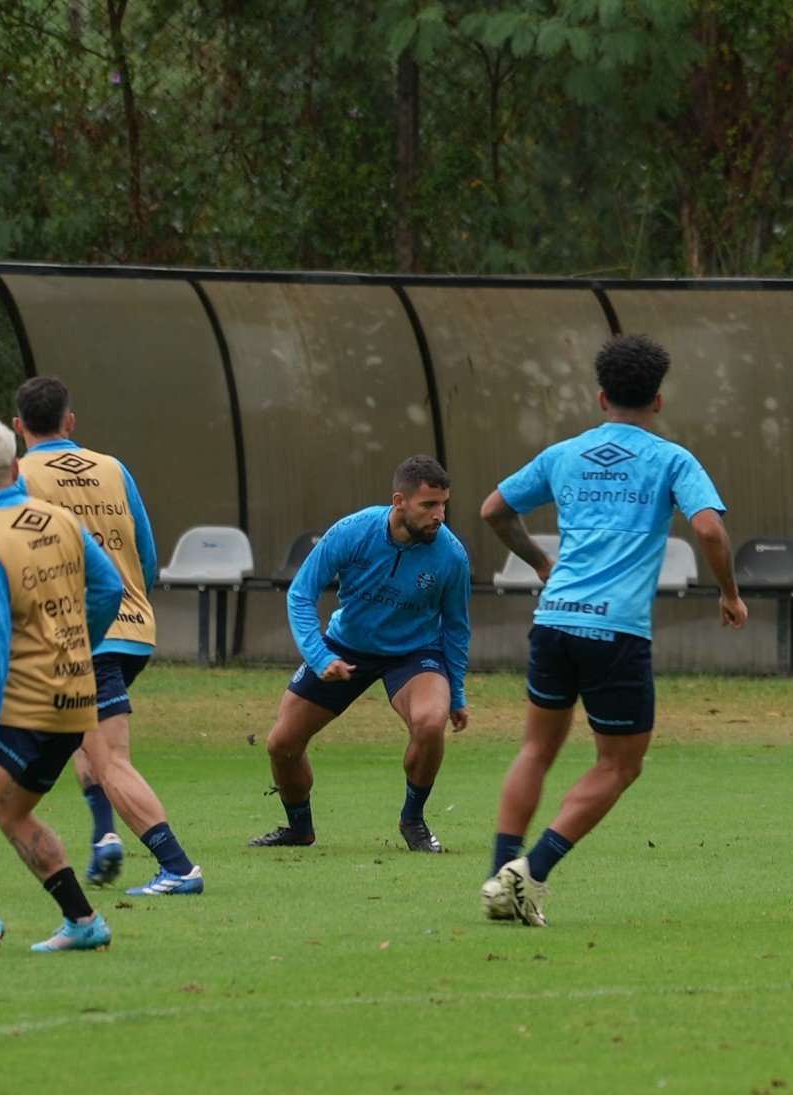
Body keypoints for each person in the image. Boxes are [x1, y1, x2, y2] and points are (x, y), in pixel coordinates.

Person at [479, 334, 747, 927]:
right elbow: (708, 530)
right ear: (657, 400)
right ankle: (530, 873)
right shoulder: (672, 458)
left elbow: (493, 509)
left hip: (553, 622)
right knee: (620, 765)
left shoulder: (564, 454)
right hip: (615, 632)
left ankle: (500, 872)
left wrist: (542, 566)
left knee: (536, 749)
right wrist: (728, 593)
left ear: (601, 397)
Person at [0, 418, 124, 958]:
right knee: (10, 812)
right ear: (14, 468)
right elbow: (109, 588)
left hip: (22, 703)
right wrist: (76, 646)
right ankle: (83, 920)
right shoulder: (61, 520)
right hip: (75, 700)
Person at [8, 375, 203, 896]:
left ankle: (178, 867)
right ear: (70, 421)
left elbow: (19, 561)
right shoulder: (113, 469)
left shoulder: (20, 476)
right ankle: (104, 836)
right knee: (83, 740)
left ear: (18, 425)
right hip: (133, 627)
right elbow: (147, 553)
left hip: (80, 634)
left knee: (110, 758)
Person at [249, 455, 472, 852]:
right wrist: (319, 658)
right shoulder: (353, 532)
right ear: (399, 501)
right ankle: (300, 829)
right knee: (281, 745)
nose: (439, 515)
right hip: (345, 646)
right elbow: (301, 593)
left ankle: (413, 820)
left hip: (414, 653)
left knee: (431, 723)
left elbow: (455, 629)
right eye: (428, 505)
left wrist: (455, 693)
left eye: (443, 505)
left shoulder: (451, 556)